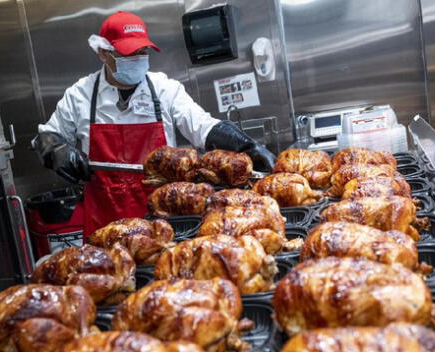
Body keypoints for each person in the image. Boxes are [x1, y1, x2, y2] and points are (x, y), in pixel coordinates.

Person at [32, 11, 276, 238]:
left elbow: (202, 126)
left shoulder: (163, 89)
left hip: (164, 219)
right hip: (105, 226)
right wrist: (57, 150)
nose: (138, 59)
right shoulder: (81, 95)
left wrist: (246, 146)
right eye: (129, 53)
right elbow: (48, 137)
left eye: (143, 51)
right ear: (103, 53)